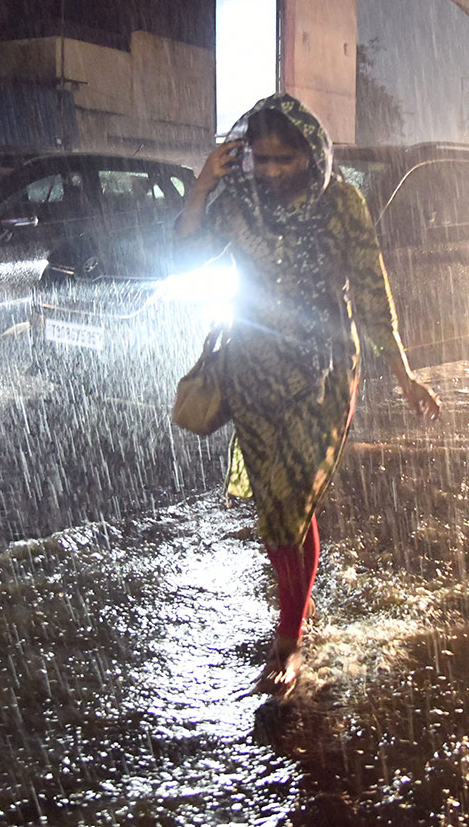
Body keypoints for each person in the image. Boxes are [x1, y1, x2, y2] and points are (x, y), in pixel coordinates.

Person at [176, 93, 440, 698]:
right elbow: (185, 253)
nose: (270, 173)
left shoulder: (340, 204)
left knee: (294, 498)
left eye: (282, 160)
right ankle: (296, 609)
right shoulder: (238, 200)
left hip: (321, 376)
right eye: (260, 160)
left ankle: (289, 637)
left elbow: (373, 295)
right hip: (250, 369)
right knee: (276, 508)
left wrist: (402, 375)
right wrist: (199, 187)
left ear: (311, 153)